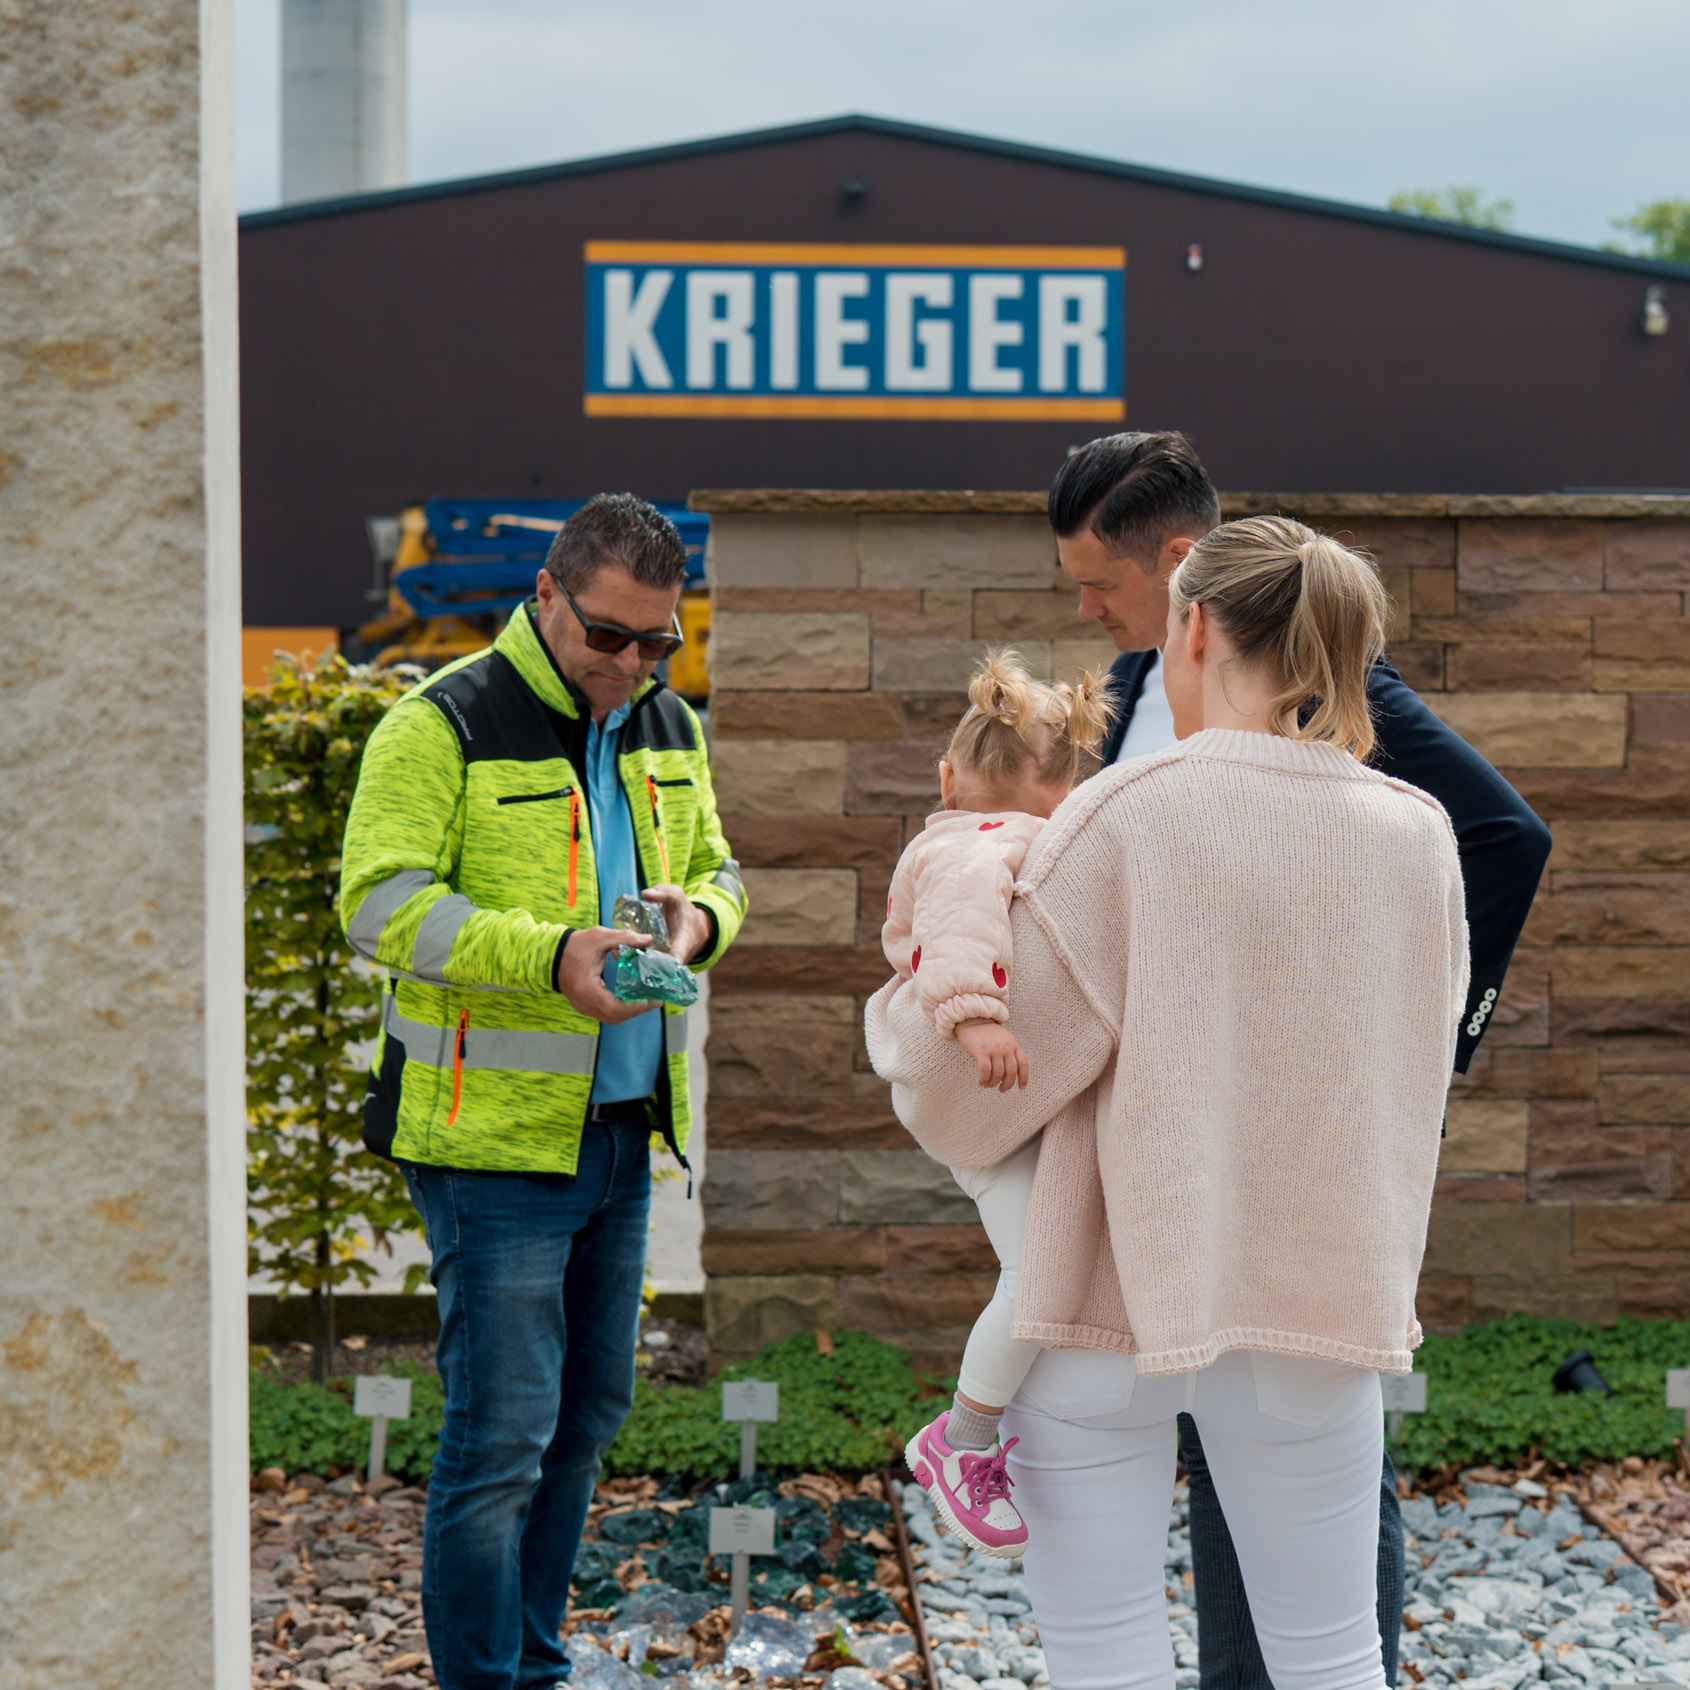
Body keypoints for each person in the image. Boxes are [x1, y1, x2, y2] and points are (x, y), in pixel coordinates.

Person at [868, 514, 1470, 1690]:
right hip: (1321, 1299)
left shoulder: (1124, 814)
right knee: (1335, 1656)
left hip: (1104, 1303)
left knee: (1105, 1658)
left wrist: (902, 1022)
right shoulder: (1418, 835)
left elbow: (969, 1082)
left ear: (1192, 623)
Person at [1047, 432, 1551, 1690]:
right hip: (1147, 1181)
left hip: (1287, 1177)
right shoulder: (1126, 691)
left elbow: (1502, 833)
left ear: (1181, 573)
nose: (1087, 612)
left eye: (1100, 585)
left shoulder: (1331, 681)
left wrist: (1418, 1061)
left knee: (1295, 1503)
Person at [339, 494, 749, 1690]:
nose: (631, 663)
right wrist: (551, 955)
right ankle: (486, 1679)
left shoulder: (668, 720)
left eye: (656, 640)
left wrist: (701, 918)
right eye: (608, 635)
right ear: (546, 599)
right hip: (487, 1146)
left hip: (622, 1132)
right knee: (501, 1440)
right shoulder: (442, 722)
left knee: (580, 1430)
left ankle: (534, 1664)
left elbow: (720, 866)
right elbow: (376, 904)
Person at [887, 650, 1112, 1558]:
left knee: (1048, 1264)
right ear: (1064, 798)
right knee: (1035, 1279)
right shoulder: (987, 846)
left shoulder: (948, 835)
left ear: (947, 776)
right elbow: (959, 935)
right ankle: (961, 1439)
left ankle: (980, 1433)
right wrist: (976, 1019)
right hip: (976, 1085)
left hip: (997, 1107)